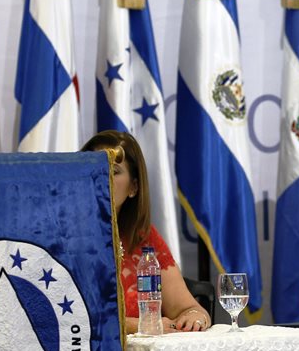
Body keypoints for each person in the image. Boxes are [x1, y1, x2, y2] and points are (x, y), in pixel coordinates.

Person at [82, 131, 210, 333]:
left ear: (133, 187)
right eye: (94, 169)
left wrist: (194, 317)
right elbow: (65, 320)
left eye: (113, 171)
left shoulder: (143, 237)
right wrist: (137, 325)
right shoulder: (59, 236)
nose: (102, 177)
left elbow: (188, 308)